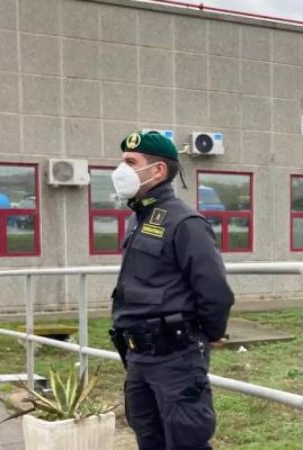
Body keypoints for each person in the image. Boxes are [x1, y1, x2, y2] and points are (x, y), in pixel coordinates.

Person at [108, 131, 235, 450]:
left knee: (186, 441)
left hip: (176, 357)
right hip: (139, 356)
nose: (120, 169)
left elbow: (214, 289)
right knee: (149, 438)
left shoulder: (186, 222)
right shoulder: (139, 218)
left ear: (158, 171)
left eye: (129, 162)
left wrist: (211, 333)